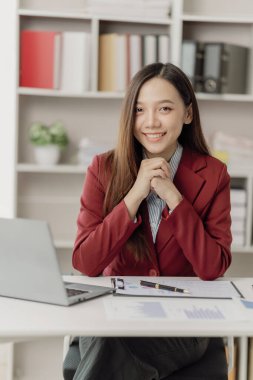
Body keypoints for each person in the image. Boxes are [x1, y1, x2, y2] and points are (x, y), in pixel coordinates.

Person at [71, 62, 232, 380]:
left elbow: (213, 267)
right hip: (114, 316)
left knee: (109, 346)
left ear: (187, 114)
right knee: (109, 339)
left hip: (182, 324)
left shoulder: (213, 174)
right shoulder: (103, 168)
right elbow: (85, 262)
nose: (151, 122)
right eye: (140, 110)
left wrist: (174, 197)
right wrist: (133, 197)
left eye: (165, 109)